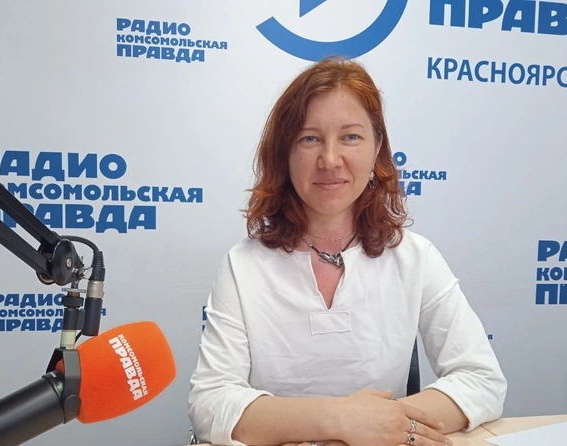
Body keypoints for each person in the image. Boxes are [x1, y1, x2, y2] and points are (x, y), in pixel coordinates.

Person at [187, 57, 506, 446]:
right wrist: (341, 421)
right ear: (284, 153)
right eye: (309, 139)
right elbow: (210, 404)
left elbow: (481, 379)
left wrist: (381, 426)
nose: (330, 159)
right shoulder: (243, 266)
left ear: (377, 149)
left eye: (350, 137)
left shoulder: (415, 258)